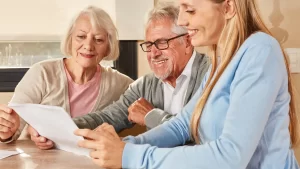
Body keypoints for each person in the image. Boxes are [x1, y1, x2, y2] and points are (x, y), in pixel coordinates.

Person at [75, 1, 300, 169]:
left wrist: (129, 155)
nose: (182, 21)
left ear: (228, 7)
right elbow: (182, 125)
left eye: (190, 10)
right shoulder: (220, 62)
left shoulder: (260, 50)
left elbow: (231, 156)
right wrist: (123, 144)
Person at [0, 6, 133, 149]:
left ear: (109, 46)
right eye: (81, 37)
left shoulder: (120, 84)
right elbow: (13, 127)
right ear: (70, 40)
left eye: (99, 40)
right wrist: (7, 130)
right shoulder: (42, 73)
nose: (88, 45)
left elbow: (148, 97)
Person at [72, 4, 209, 132]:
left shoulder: (214, 73)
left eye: (161, 42)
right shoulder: (145, 86)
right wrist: (62, 128)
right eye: (149, 45)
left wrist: (152, 116)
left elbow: (205, 133)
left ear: (187, 42)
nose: (153, 53)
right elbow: (106, 118)